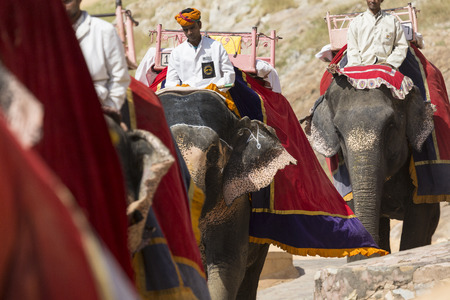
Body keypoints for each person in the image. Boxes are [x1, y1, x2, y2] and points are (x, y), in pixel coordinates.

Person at [63, 0, 130, 111]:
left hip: (98, 107)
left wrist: (110, 108)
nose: (62, 6)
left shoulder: (104, 31)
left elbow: (119, 78)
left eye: (67, 1)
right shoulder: (42, 35)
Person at [165, 8, 235, 91]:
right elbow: (171, 82)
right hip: (187, 97)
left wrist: (215, 89)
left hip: (213, 95)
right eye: (185, 30)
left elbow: (229, 75)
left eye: (192, 28)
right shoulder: (177, 52)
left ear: (200, 25)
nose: (189, 32)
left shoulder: (216, 47)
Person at [346, 0, 408, 69]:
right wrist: (357, 67)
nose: (372, 0)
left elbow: (401, 46)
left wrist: (390, 63)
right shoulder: (356, 22)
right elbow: (352, 48)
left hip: (386, 68)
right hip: (363, 67)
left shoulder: (392, 21)